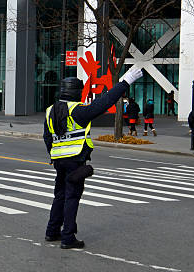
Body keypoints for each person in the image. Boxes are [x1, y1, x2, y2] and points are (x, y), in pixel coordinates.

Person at [43, 67, 144, 249]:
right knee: (72, 197)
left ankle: (52, 232)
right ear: (76, 92)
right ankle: (68, 237)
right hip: (75, 160)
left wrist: (54, 154)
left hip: (58, 160)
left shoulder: (50, 110)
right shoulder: (78, 111)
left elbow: (47, 137)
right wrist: (125, 82)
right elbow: (104, 102)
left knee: (59, 195)